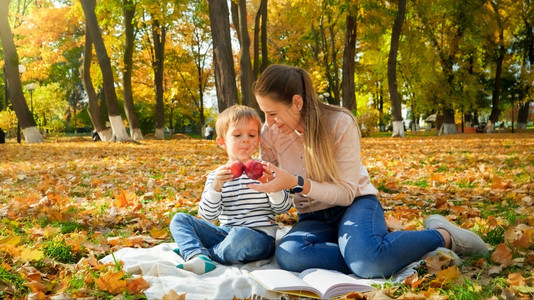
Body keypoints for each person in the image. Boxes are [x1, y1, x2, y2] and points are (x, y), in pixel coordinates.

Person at [248, 64, 488, 278]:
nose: (267, 122)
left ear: (297, 102)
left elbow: (345, 193)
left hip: (356, 205)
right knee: (290, 254)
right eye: (263, 113)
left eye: (273, 113)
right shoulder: (270, 135)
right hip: (312, 217)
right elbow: (280, 196)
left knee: (368, 263)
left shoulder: (339, 122)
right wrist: (269, 185)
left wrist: (297, 182)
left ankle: (442, 235)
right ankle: (367, 252)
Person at [170, 105, 292, 275]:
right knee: (179, 219)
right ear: (222, 142)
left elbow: (283, 208)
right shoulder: (217, 176)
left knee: (241, 237)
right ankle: (197, 255)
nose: (245, 140)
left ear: (258, 140)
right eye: (237, 135)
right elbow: (208, 215)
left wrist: (272, 187)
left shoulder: (265, 170)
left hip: (258, 237)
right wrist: (216, 188)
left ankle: (202, 253)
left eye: (251, 135)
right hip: (225, 233)